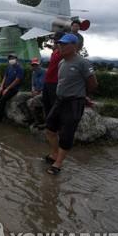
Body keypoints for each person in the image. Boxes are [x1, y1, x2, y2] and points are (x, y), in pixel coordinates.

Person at [45, 34, 98, 175]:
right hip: (60, 100)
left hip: (74, 102)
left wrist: (84, 95)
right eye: (60, 44)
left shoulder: (83, 62)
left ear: (74, 46)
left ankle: (58, 163)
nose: (61, 46)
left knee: (67, 134)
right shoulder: (62, 62)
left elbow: (92, 84)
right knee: (50, 128)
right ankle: (55, 153)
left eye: (64, 44)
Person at [0, 54, 24, 122]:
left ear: (16, 59)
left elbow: (17, 80)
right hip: (4, 87)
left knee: (3, 100)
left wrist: (7, 89)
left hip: (13, 89)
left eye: (12, 58)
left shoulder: (19, 68)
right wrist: (1, 87)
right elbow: (5, 77)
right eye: (10, 58)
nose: (11, 60)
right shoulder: (9, 67)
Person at [42, 32, 64, 117]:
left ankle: (54, 125)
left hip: (55, 82)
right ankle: (48, 122)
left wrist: (58, 46)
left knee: (53, 104)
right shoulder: (54, 52)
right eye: (54, 40)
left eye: (56, 40)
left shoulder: (63, 52)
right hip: (47, 81)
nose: (54, 42)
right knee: (46, 102)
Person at [26, 57, 45, 125]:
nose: (34, 66)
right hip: (35, 92)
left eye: (36, 65)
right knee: (24, 98)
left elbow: (45, 85)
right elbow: (33, 84)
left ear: (39, 65)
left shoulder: (44, 72)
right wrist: (33, 90)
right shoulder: (33, 73)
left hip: (43, 92)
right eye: (33, 65)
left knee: (32, 101)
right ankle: (31, 118)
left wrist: (39, 92)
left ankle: (39, 120)